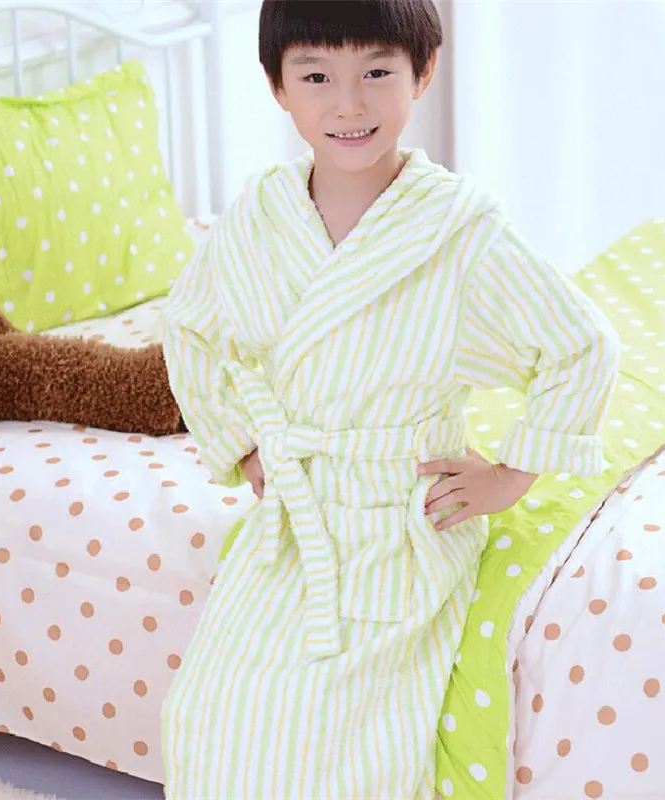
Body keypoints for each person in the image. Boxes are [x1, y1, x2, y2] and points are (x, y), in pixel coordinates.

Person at [160, 1, 621, 796]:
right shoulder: (259, 217)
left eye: (376, 71)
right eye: (316, 77)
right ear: (277, 87)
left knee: (348, 745)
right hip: (294, 519)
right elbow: (190, 327)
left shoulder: (458, 231)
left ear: (423, 73)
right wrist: (244, 443)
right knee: (208, 715)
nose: (349, 104)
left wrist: (511, 475)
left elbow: (582, 345)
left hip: (401, 525)